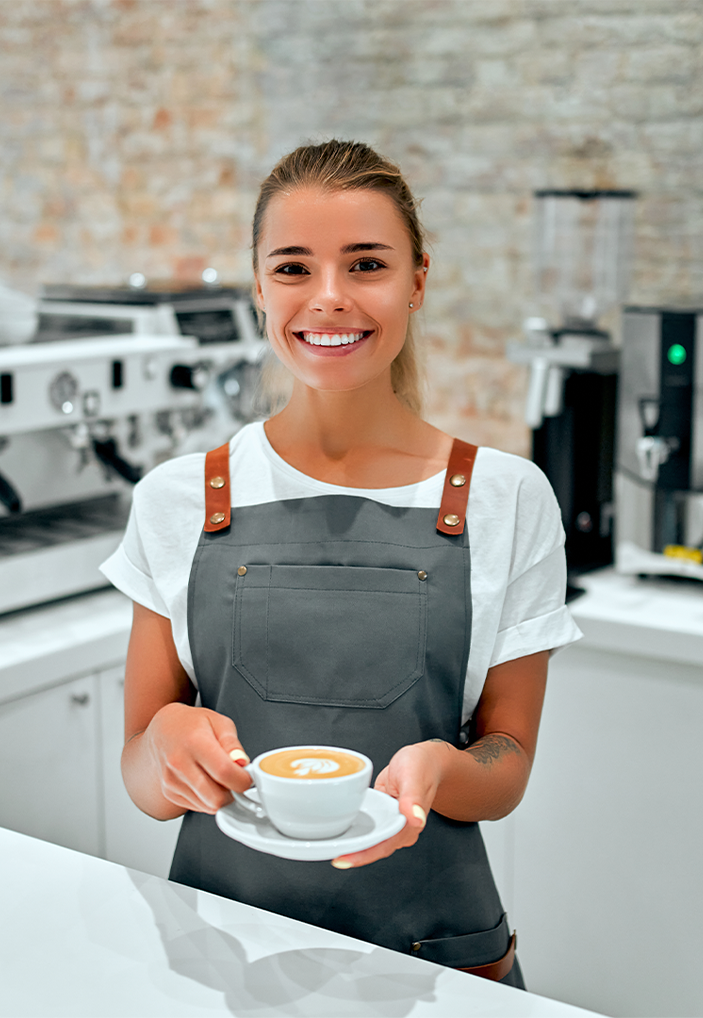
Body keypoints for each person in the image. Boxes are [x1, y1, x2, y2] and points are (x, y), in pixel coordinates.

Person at [100, 139, 581, 988]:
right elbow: (143, 772)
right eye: (293, 268)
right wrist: (166, 743)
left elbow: (506, 764)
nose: (329, 299)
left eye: (366, 264)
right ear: (257, 285)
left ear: (417, 282)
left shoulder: (508, 498)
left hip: (438, 968)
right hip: (219, 960)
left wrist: (442, 770)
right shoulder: (177, 499)